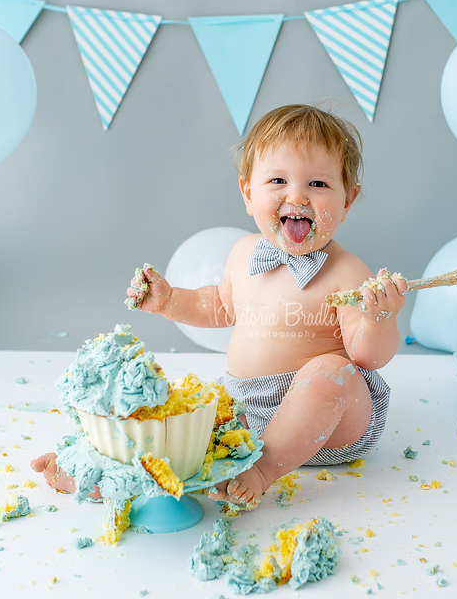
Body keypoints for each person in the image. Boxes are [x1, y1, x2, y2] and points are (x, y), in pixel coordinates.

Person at [32, 104, 407, 508]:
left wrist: (380, 317)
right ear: (248, 193)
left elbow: (367, 357)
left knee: (330, 370)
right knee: (181, 426)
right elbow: (218, 306)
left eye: (317, 184)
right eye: (278, 180)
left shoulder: (348, 272)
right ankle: (100, 471)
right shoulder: (244, 254)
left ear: (347, 200)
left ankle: (264, 469)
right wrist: (171, 300)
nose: (296, 195)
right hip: (247, 416)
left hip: (331, 424)